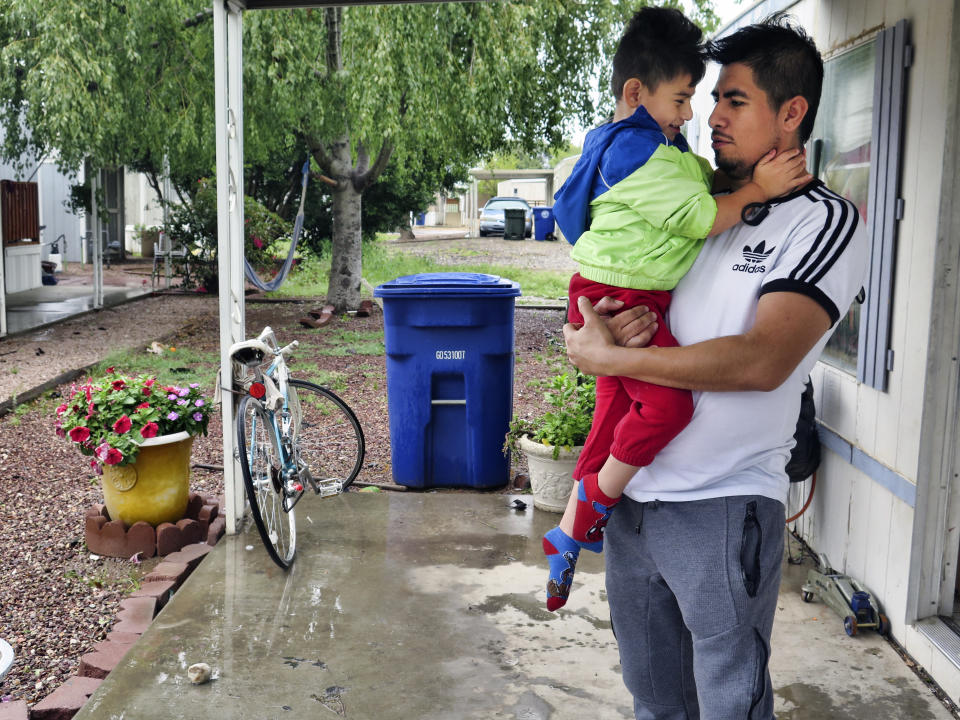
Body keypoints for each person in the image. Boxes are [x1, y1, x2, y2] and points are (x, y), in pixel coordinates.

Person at [562, 14, 868, 720]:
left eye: (735, 101)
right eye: (709, 98)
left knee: (728, 707)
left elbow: (764, 359)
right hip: (634, 500)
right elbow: (616, 286)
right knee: (655, 700)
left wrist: (618, 354)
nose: (711, 118)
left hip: (721, 507)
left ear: (791, 113)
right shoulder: (698, 200)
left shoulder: (821, 222)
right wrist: (596, 339)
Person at [543, 6, 810, 612]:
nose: (691, 115)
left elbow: (694, 177)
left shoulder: (621, 145)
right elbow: (699, 213)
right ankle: (591, 514)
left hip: (605, 292)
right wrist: (758, 191)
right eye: (684, 99)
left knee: (610, 415)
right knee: (666, 405)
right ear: (636, 92)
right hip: (626, 297)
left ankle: (564, 534)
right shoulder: (644, 157)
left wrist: (730, 179)